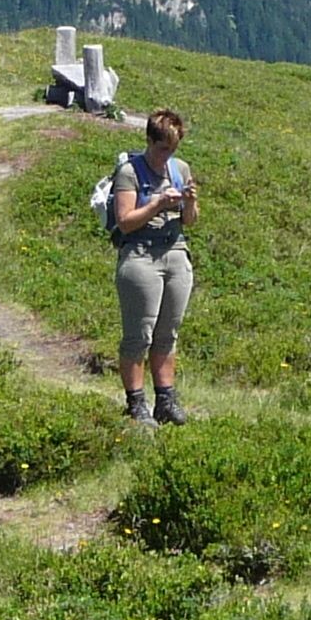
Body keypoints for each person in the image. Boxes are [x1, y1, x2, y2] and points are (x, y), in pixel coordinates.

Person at [108, 108, 198, 425]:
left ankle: (165, 400)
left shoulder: (180, 169)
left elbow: (190, 220)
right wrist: (158, 203)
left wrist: (189, 202)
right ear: (149, 141)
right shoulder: (129, 173)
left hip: (175, 251)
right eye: (162, 148)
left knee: (167, 333)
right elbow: (125, 221)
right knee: (139, 335)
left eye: (172, 149)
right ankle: (136, 404)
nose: (166, 156)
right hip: (141, 254)